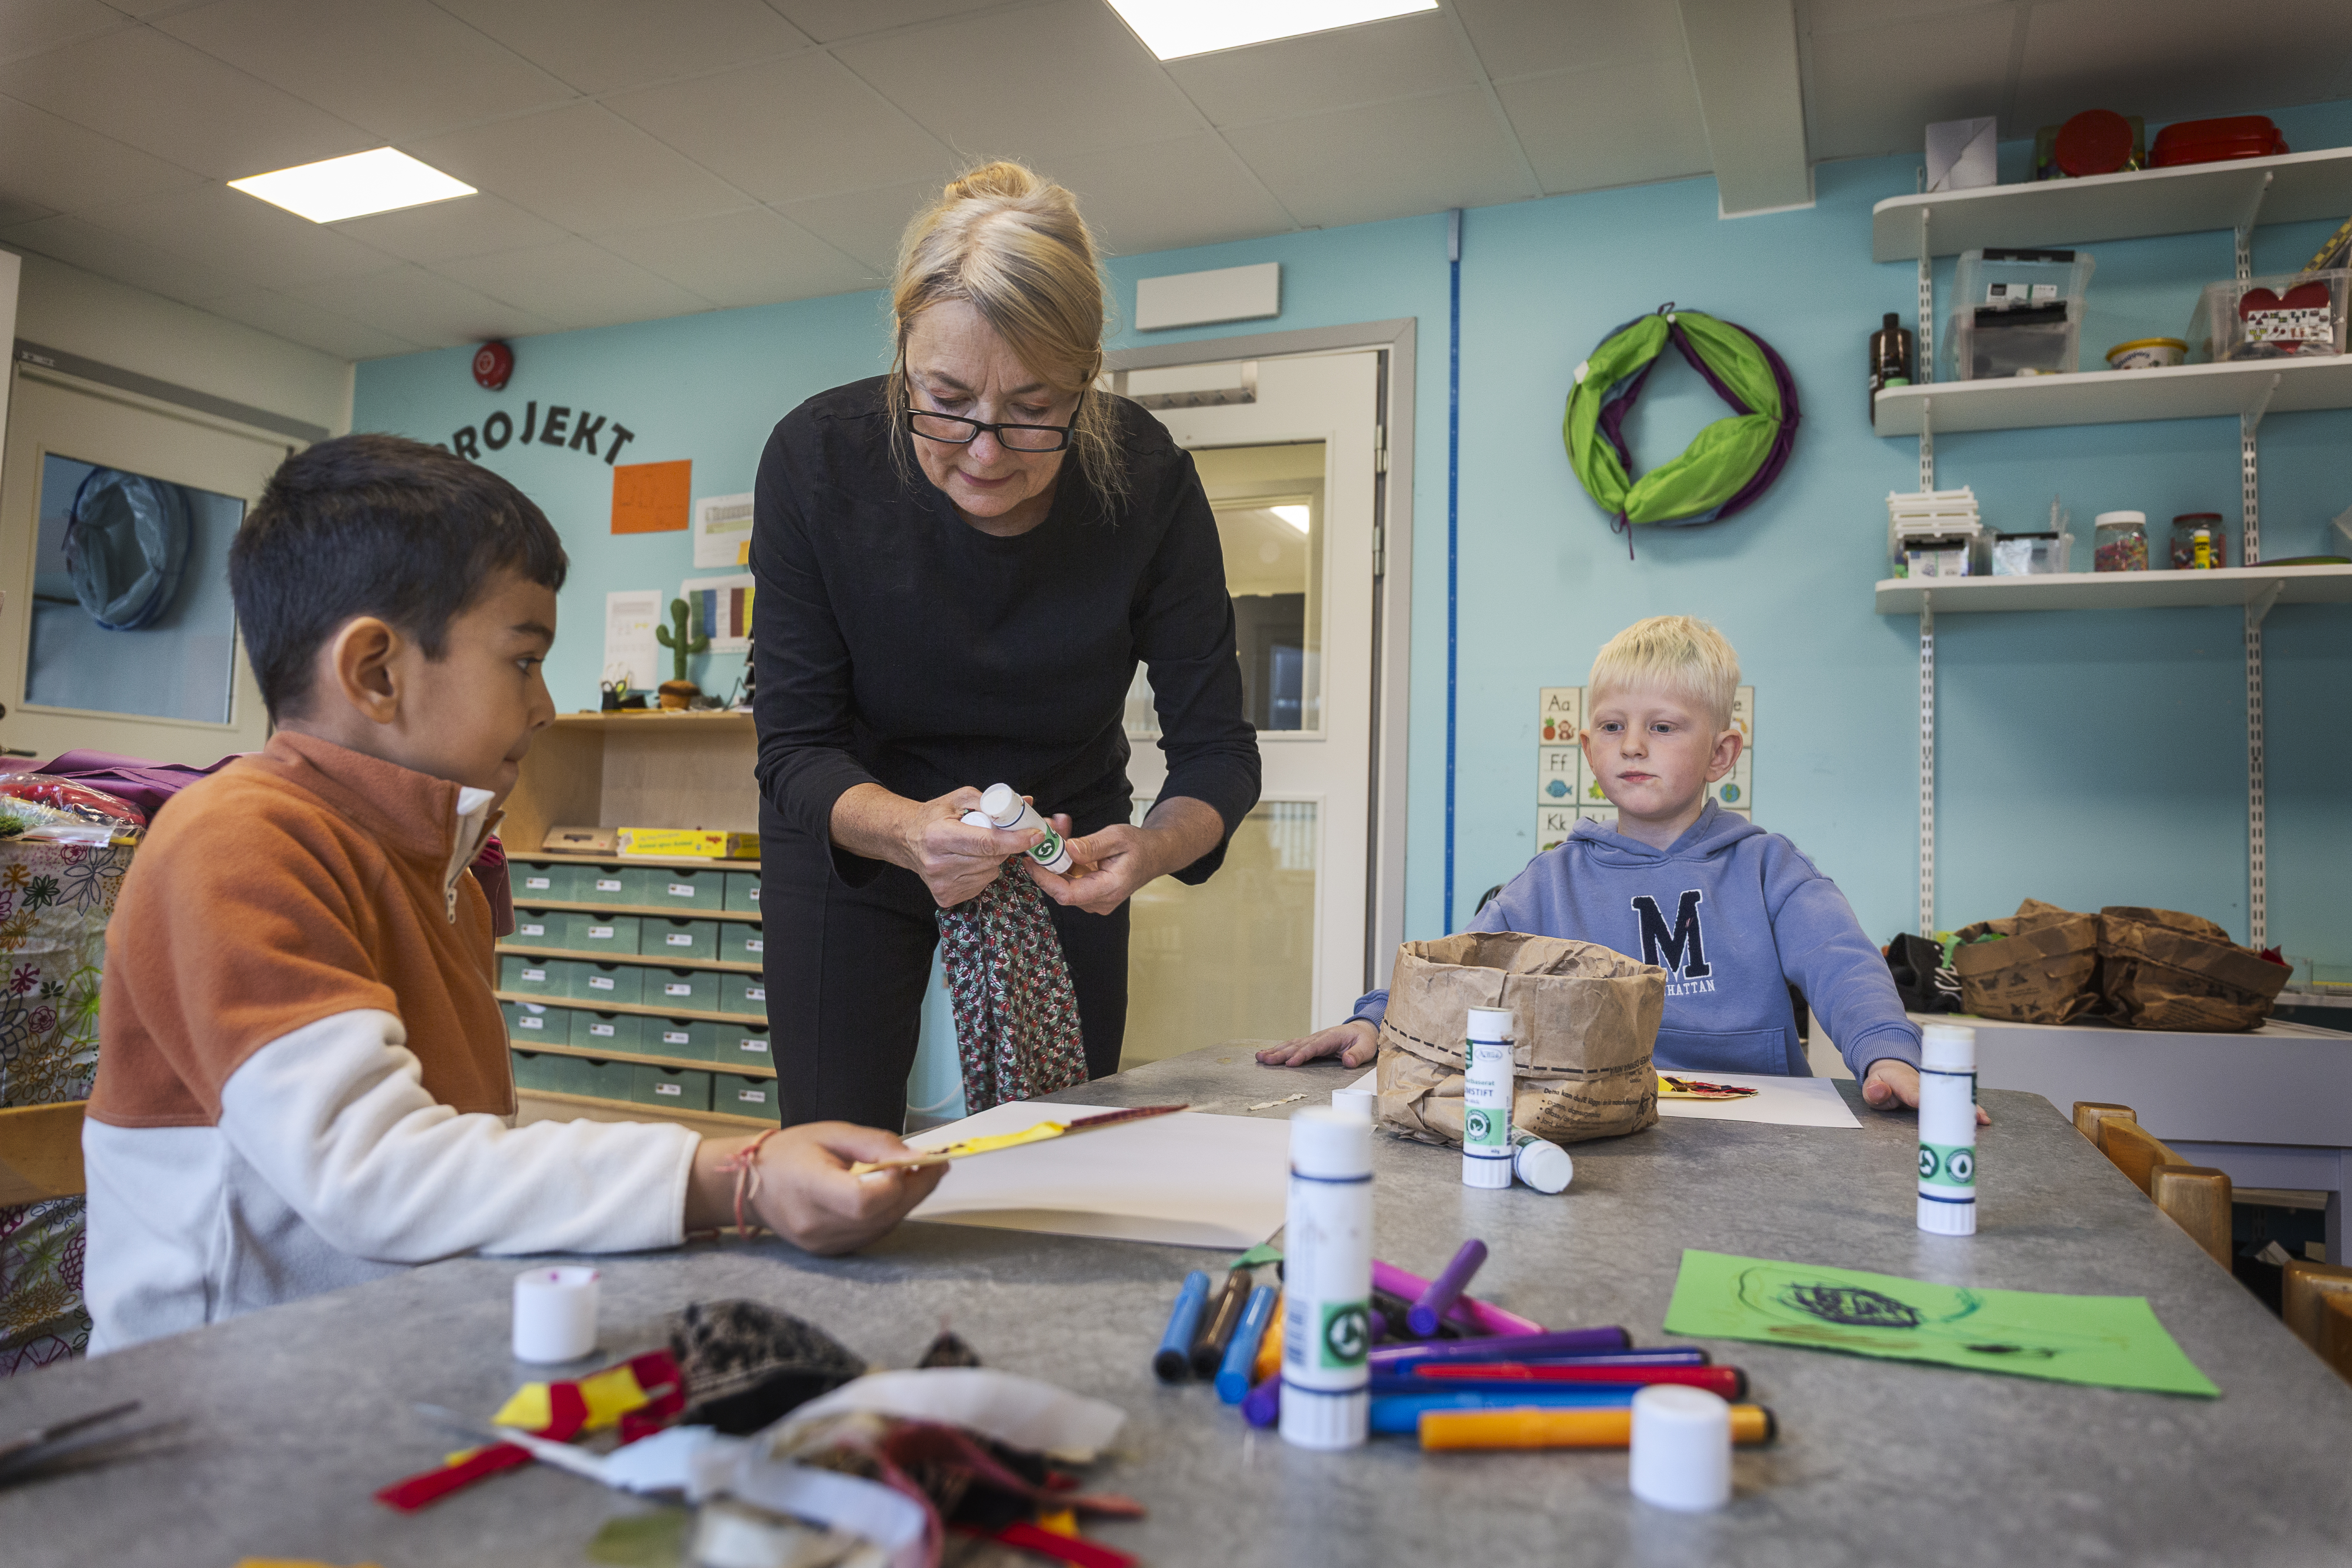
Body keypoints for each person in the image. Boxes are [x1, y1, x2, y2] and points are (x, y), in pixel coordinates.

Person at [81, 436, 943, 1353]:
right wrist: (734, 1174)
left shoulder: (437, 852)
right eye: (523, 661)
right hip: (216, 1402)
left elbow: (459, 1163)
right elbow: (375, 1173)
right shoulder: (238, 840)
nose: (544, 707)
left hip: (388, 1346)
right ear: (375, 672)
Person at [752, 161, 1260, 1131]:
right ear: (904, 351)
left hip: (1061, 841)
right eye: (944, 400)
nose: (984, 452)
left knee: (1059, 1137)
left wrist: (1147, 850)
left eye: (1033, 411)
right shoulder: (816, 462)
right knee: (835, 1140)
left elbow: (1219, 757)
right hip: (858, 820)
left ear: (1086, 377)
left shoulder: (1147, 482)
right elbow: (794, 749)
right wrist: (907, 832)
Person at [1260, 615, 1983, 1122]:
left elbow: (1842, 963)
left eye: (1663, 727)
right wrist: (1377, 1021)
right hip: (1600, 1121)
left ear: (1721, 755)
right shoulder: (1552, 879)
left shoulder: (1768, 868)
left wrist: (1887, 1055)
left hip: (1762, 1121)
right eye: (1612, 727)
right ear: (1588, 746)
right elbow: (1465, 967)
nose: (1633, 745)